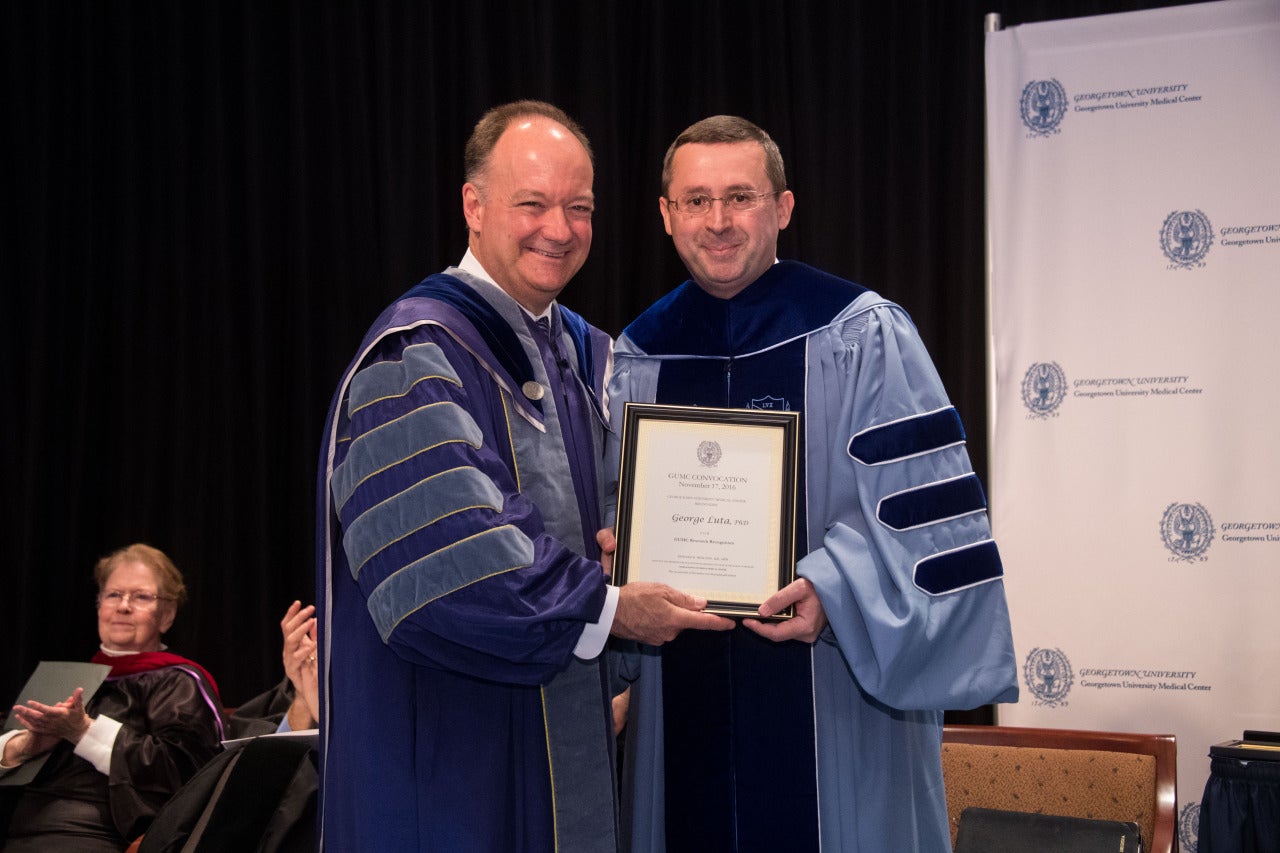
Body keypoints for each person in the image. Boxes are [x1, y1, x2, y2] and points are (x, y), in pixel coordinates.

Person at [315, 100, 729, 853]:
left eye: (580, 207)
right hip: (447, 765)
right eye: (531, 203)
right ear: (473, 206)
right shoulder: (414, 354)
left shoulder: (588, 355)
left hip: (562, 746)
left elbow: (622, 532)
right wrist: (611, 608)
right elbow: (445, 575)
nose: (560, 229)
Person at [605, 115, 1019, 852]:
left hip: (835, 695)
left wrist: (837, 589)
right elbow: (616, 515)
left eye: (741, 196)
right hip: (681, 695)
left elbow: (926, 522)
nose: (720, 220)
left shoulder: (862, 332)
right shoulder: (638, 355)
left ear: (783, 208)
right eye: (696, 200)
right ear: (666, 216)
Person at [0, 543, 224, 852]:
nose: (123, 606)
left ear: (167, 615)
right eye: (113, 595)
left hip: (96, 836)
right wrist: (21, 747)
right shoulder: (65, 678)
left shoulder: (179, 682)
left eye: (142, 596)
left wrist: (83, 732)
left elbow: (188, 773)